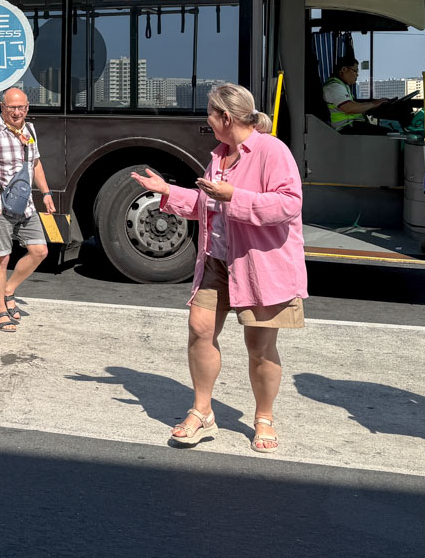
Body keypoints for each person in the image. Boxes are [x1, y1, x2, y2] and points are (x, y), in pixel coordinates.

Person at [131, 84, 306, 452]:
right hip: (216, 260)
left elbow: (289, 204)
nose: (207, 122)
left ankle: (264, 417)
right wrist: (166, 191)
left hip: (259, 264)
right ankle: (202, 410)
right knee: (199, 328)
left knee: (259, 346)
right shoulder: (220, 156)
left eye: (210, 114)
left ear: (225, 117)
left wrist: (234, 197)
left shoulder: (271, 150)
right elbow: (208, 204)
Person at [0, 86, 55, 332]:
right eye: (12, 108)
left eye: (22, 107)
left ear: (27, 107)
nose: (17, 112)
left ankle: (9, 289)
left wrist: (46, 193)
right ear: (2, 107)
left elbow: (35, 163)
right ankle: (0, 310)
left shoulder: (29, 129)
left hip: (25, 205)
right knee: (2, 257)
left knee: (39, 250)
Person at [322, 60, 390, 134]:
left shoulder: (343, 86)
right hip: (345, 127)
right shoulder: (334, 86)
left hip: (352, 125)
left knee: (390, 133)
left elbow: (354, 105)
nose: (357, 75)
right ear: (344, 69)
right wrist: (373, 104)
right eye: (355, 71)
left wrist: (372, 106)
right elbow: (349, 108)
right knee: (390, 134)